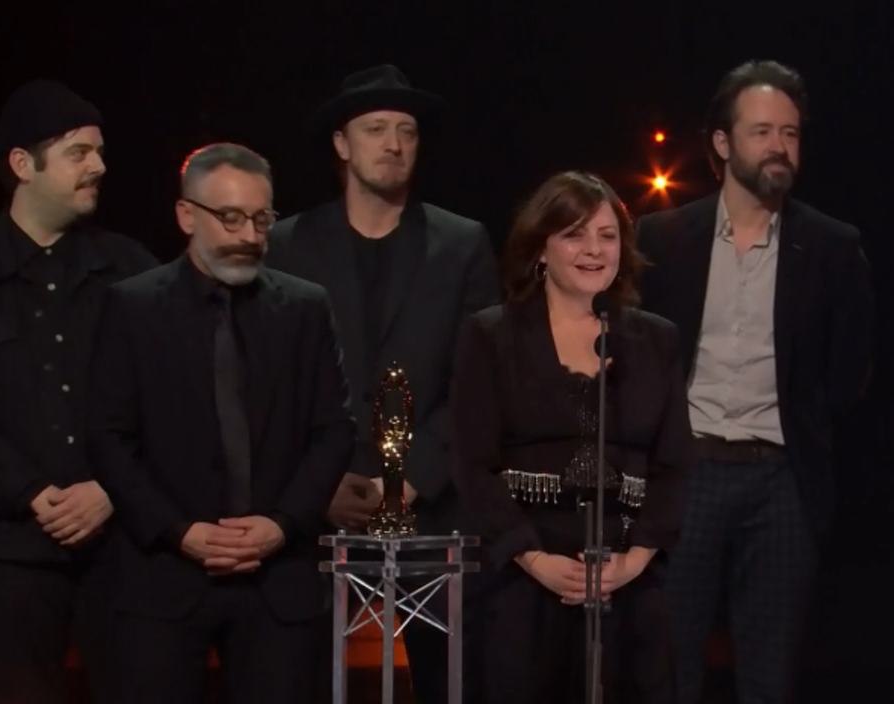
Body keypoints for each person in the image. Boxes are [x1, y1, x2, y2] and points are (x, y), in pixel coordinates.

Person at [635, 60, 873, 704]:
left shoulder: (830, 245)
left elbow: (851, 368)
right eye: (762, 131)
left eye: (791, 134)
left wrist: (804, 426)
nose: (779, 147)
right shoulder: (662, 238)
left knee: (771, 676)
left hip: (782, 484)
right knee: (669, 667)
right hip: (689, 475)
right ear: (721, 143)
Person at [0, 80, 159, 704]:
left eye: (100, 151)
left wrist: (109, 488)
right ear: (24, 164)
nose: (99, 166)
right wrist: (30, 492)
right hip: (3, 546)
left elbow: (168, 394)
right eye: (79, 152)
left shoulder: (131, 270)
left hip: (120, 541)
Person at [86, 142, 355, 704]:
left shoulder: (306, 309)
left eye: (262, 218)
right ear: (187, 215)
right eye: (230, 218)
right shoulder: (131, 307)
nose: (250, 235)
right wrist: (180, 532)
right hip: (163, 579)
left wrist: (281, 525)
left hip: (279, 582)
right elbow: (109, 438)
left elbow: (333, 430)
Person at [265, 64, 500, 703]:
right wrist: (321, 481)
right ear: (342, 144)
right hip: (317, 507)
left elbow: (478, 381)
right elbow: (272, 383)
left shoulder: (462, 243)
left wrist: (409, 476)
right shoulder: (286, 244)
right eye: (375, 129)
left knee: (448, 682)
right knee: (302, 680)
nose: (393, 144)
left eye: (407, 131)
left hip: (431, 505)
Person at [450, 171, 693, 704]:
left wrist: (634, 561)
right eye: (574, 234)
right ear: (541, 248)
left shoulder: (656, 339)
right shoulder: (492, 335)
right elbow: (472, 463)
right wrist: (534, 560)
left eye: (607, 236)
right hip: (524, 575)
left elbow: (673, 465)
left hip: (628, 578)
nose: (593, 250)